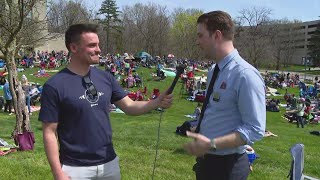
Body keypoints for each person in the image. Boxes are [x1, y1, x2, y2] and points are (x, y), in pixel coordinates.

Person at [39, 24, 173, 180]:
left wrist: (156, 102)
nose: (99, 49)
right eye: (92, 45)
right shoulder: (55, 85)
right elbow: (49, 132)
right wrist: (58, 173)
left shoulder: (105, 78)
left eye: (98, 44)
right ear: (73, 47)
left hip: (108, 164)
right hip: (75, 168)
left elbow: (129, 106)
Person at [183, 11, 266, 180]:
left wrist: (212, 143)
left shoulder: (245, 74)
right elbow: (216, 110)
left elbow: (255, 129)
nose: (197, 42)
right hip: (207, 162)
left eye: (200, 35)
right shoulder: (214, 70)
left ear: (217, 35)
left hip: (228, 167)